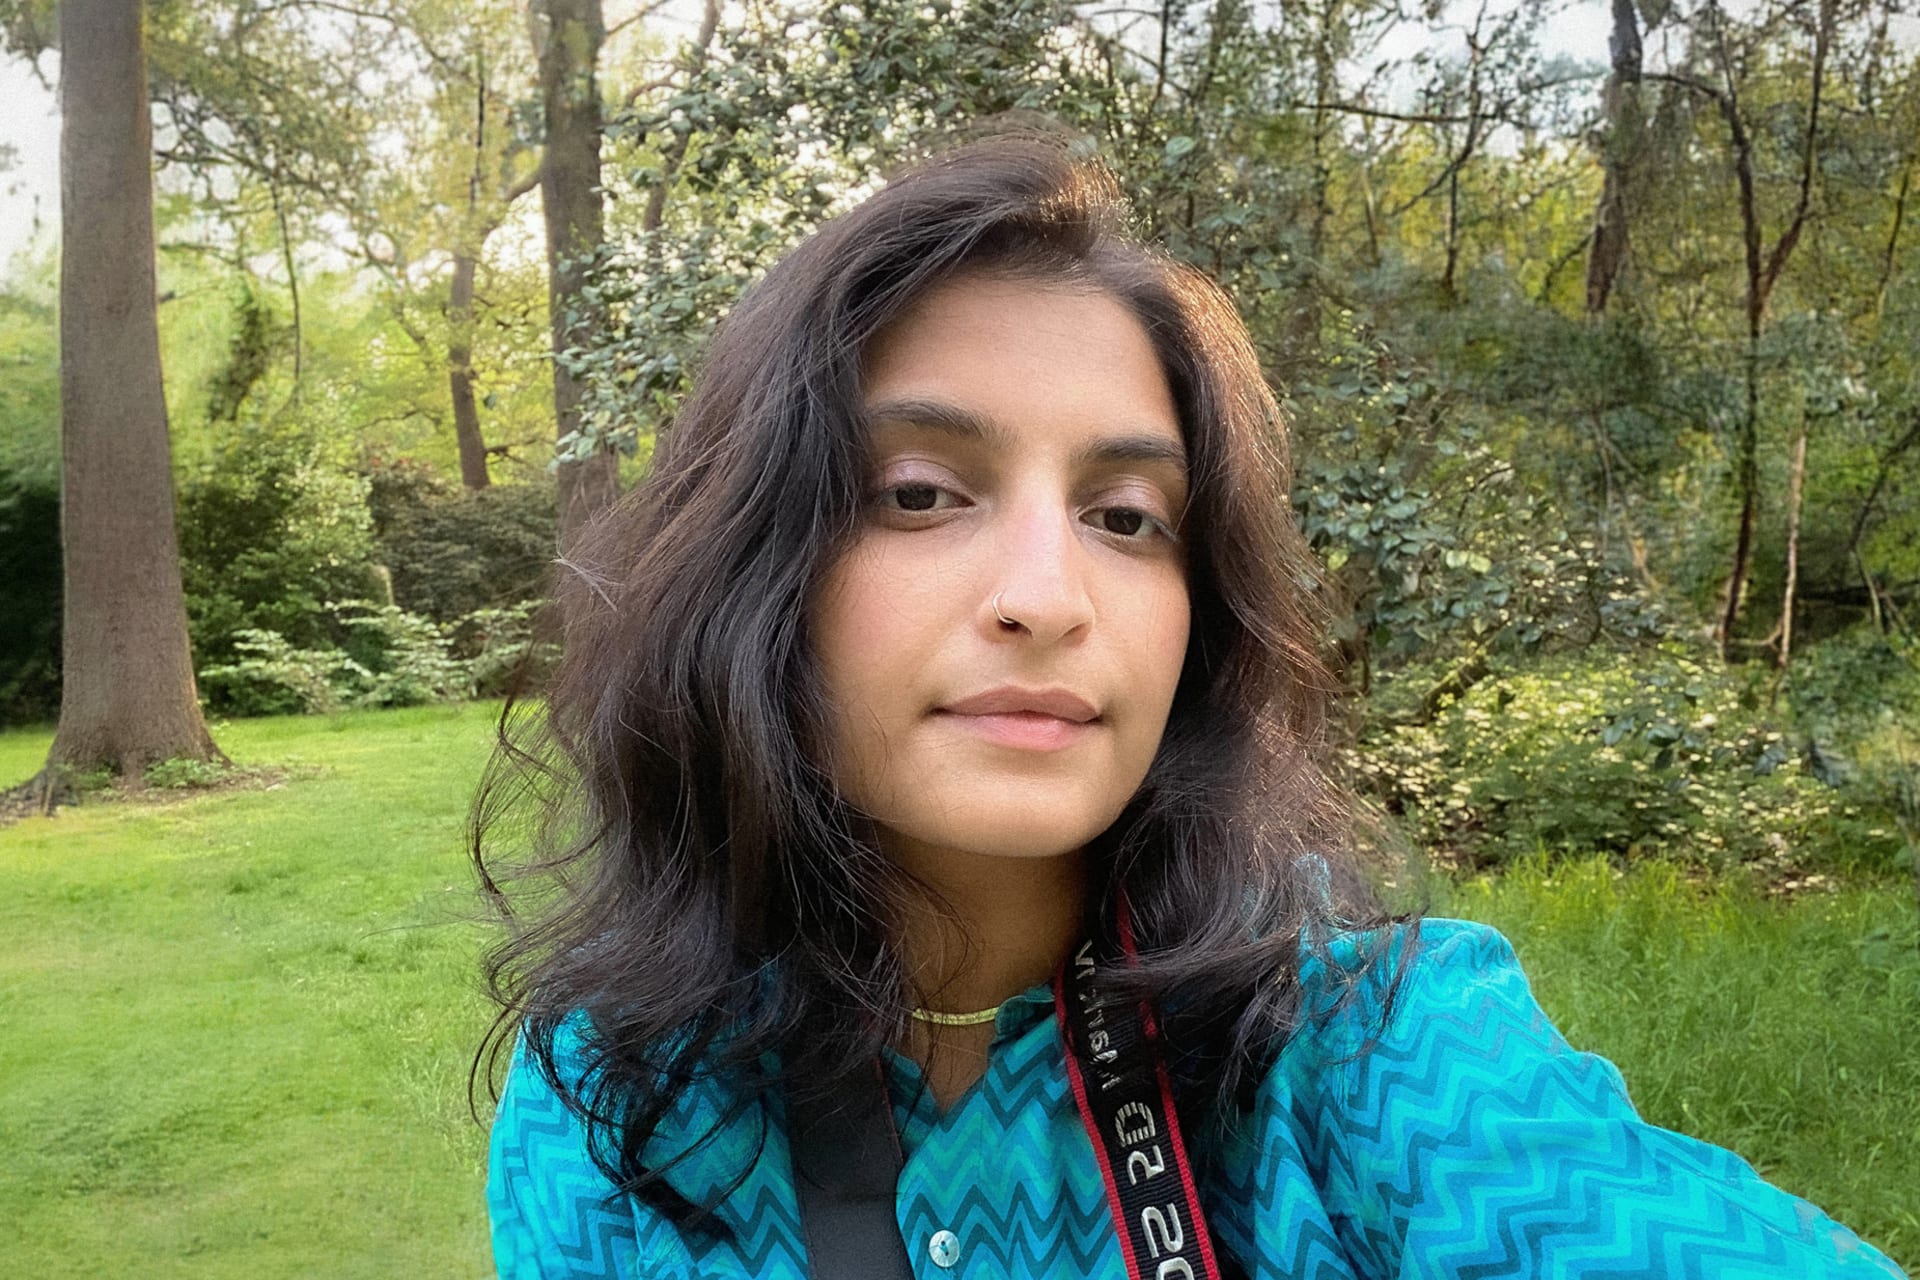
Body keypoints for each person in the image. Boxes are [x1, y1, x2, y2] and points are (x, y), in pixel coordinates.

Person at [472, 130, 1908, 1280]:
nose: (1048, 595)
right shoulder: (620, 1104)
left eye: (1126, 515)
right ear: (756, 565)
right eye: (918, 494)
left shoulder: (1369, 1048)